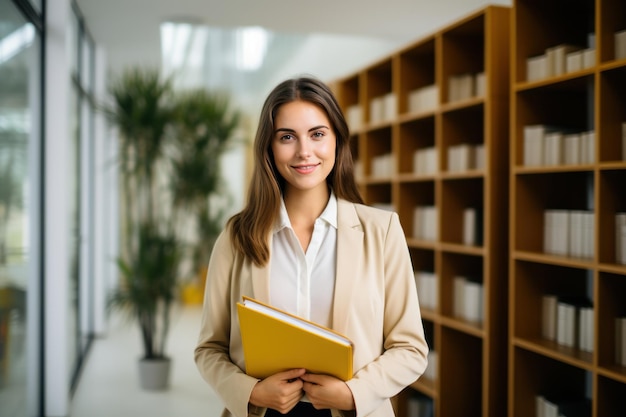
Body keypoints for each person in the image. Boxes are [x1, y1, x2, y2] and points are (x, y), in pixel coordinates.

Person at [194, 76, 428, 417]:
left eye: (317, 134)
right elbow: (209, 348)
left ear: (336, 140)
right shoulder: (237, 236)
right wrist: (253, 392)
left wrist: (354, 393)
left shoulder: (382, 231)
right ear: (269, 148)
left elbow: (410, 348)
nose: (304, 151)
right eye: (287, 137)